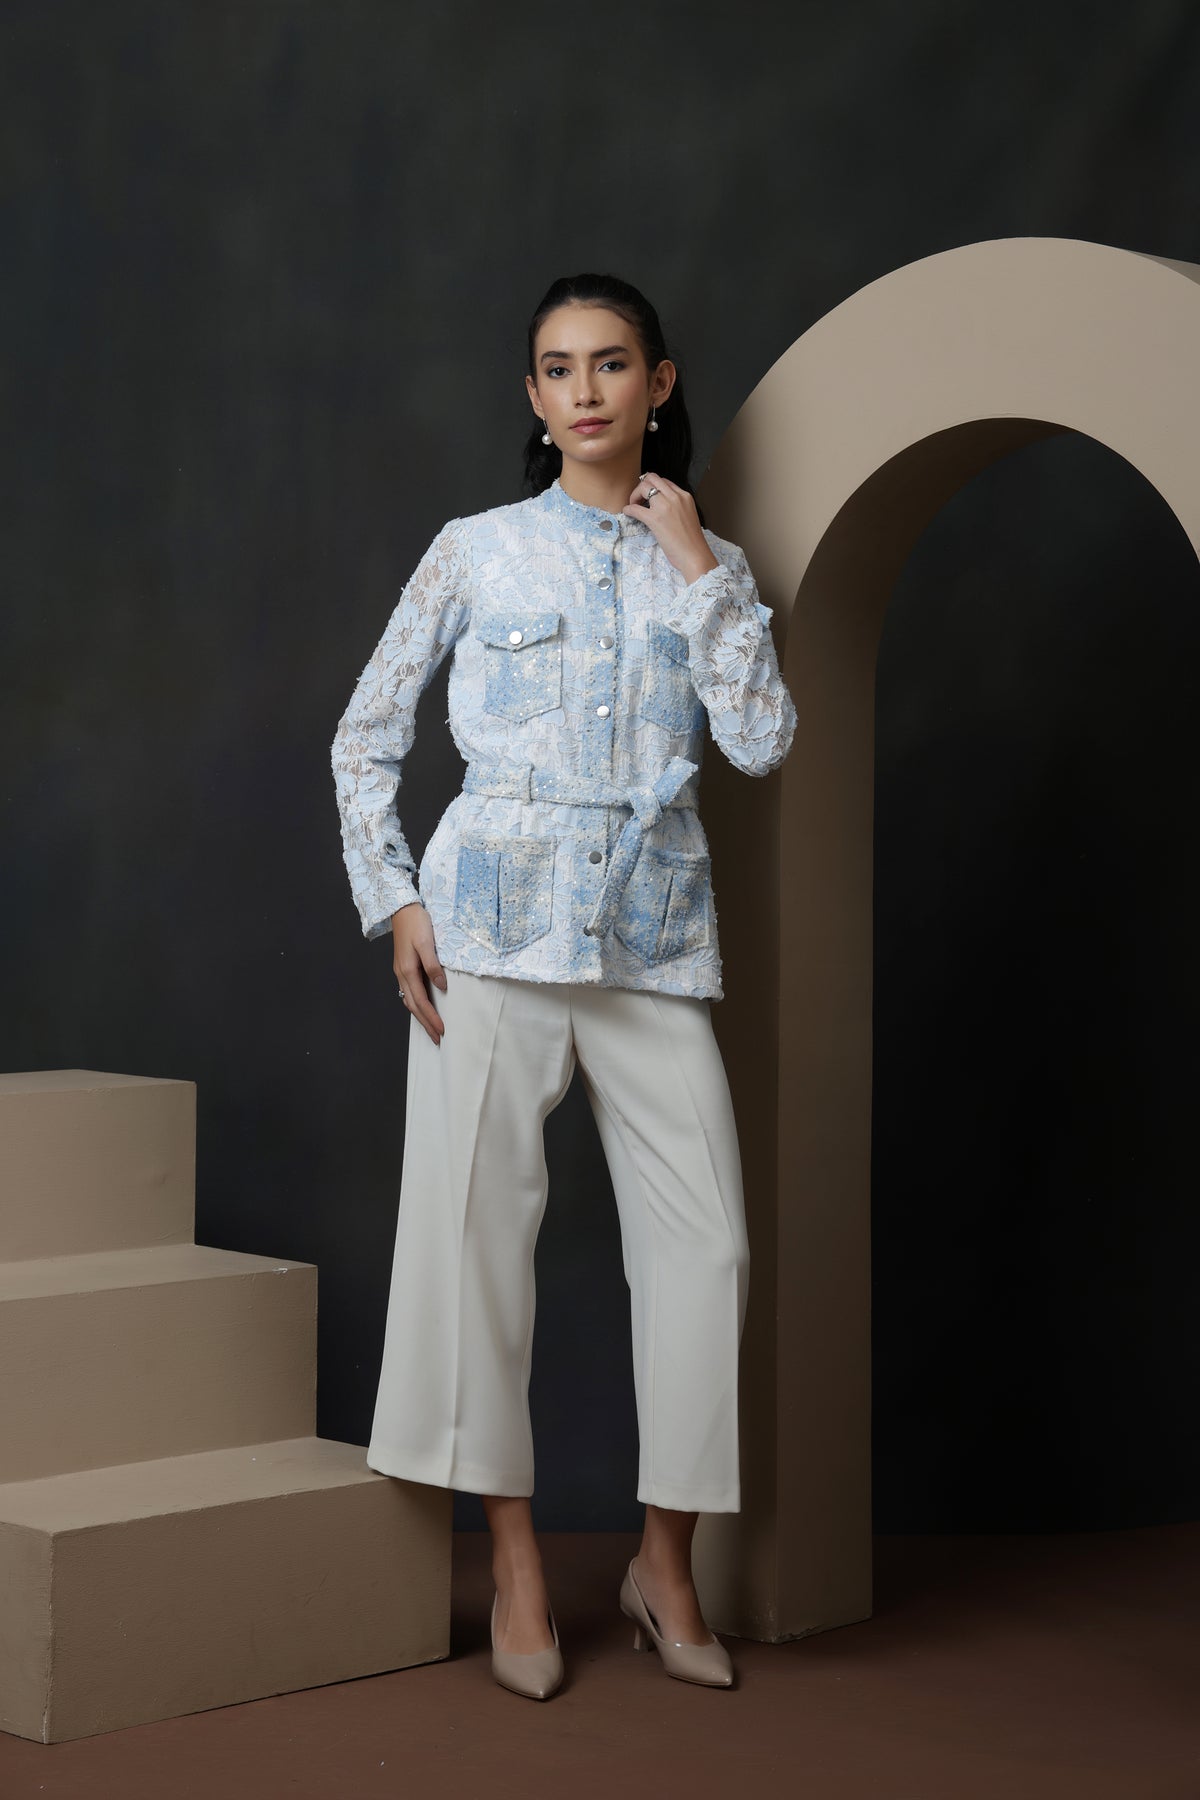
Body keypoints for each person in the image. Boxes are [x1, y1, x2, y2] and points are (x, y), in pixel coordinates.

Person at [331, 271, 796, 1700]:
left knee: (709, 1250)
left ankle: (666, 1563)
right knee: (474, 1240)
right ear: (533, 398)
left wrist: (699, 569)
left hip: (653, 935)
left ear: (659, 384)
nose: (585, 389)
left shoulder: (709, 564)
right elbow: (364, 735)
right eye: (557, 367)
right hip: (486, 929)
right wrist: (396, 897)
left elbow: (763, 741)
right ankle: (517, 1560)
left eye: (610, 363)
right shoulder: (475, 550)